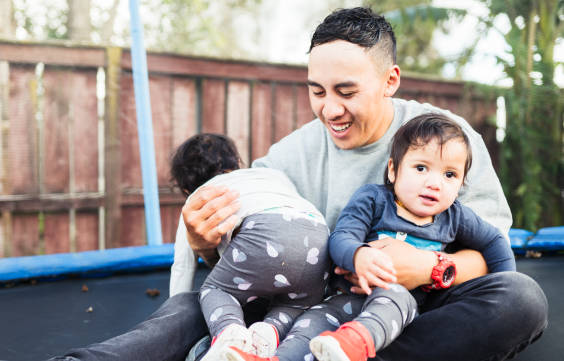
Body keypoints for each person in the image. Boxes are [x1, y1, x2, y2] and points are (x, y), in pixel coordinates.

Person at [48, 6, 547, 361]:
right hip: (313, 309)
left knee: (520, 301)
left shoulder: (445, 142)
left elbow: (494, 248)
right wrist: (204, 245)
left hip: (417, 308)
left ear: (390, 80)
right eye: (317, 91)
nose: (330, 109)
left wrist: (427, 267)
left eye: (346, 92)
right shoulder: (288, 157)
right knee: (198, 303)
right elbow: (248, 261)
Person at [224, 113, 517, 361]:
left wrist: (504, 284)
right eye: (420, 168)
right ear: (393, 170)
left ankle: (354, 345)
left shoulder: (456, 216)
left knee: (395, 298)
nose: (434, 183)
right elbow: (342, 236)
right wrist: (358, 255)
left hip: (403, 308)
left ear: (461, 184)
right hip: (348, 299)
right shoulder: (374, 200)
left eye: (449, 175)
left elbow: (494, 243)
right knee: (310, 323)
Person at [168, 133, 330, 360]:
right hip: (319, 234)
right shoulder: (271, 175)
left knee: (215, 290)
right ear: (237, 163)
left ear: (185, 189)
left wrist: (176, 310)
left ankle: (230, 335)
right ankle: (267, 333)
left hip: (265, 231)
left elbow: (182, 267)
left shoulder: (196, 199)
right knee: (296, 305)